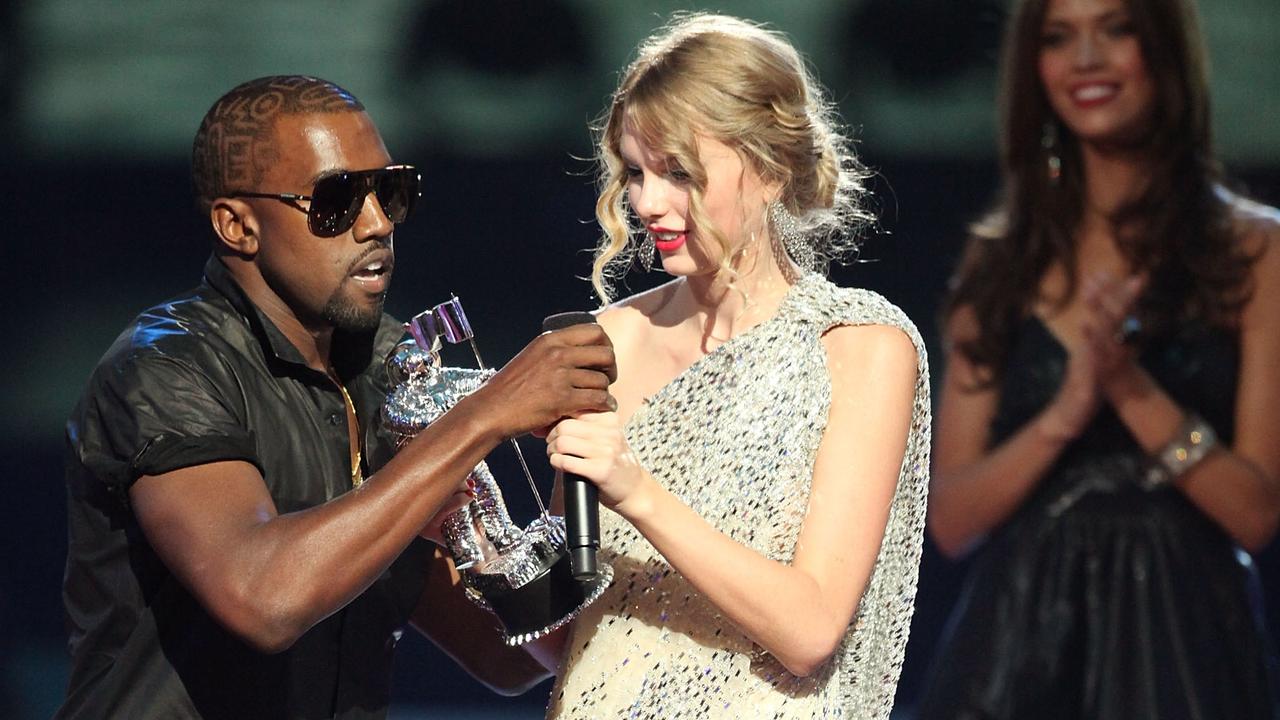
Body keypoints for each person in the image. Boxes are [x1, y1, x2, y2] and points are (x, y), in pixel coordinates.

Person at [58, 75, 618, 719]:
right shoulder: (167, 367)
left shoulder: (390, 369)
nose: (377, 223)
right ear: (238, 225)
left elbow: (509, 656)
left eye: (390, 190)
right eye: (337, 200)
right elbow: (263, 599)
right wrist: (482, 419)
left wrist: (574, 466)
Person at [532, 14, 931, 720]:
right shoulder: (608, 342)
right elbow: (564, 638)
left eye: (678, 172)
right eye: (635, 171)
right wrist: (473, 530)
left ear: (772, 168)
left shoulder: (859, 346)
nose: (647, 203)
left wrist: (633, 487)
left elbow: (809, 631)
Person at [917, 0, 1280, 717]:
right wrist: (1067, 410)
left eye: (1115, 30)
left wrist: (1128, 385)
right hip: (1016, 649)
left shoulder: (1255, 250)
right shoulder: (1000, 259)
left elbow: (1255, 513)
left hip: (1183, 649)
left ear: (1163, 50)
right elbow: (952, 520)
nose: (1086, 59)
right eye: (1059, 37)